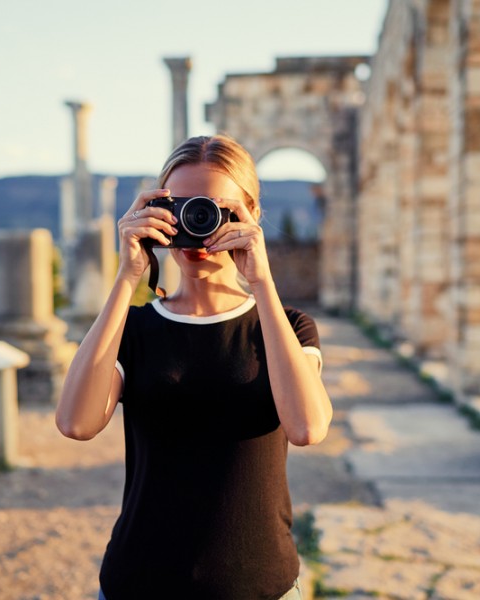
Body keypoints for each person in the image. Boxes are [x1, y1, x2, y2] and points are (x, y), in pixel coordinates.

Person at [55, 134, 333, 600]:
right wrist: (127, 276)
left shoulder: (286, 326)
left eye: (214, 210)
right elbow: (75, 422)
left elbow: (307, 427)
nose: (196, 224)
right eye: (180, 207)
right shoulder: (136, 329)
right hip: (138, 585)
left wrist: (261, 281)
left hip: (261, 589)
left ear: (252, 216)